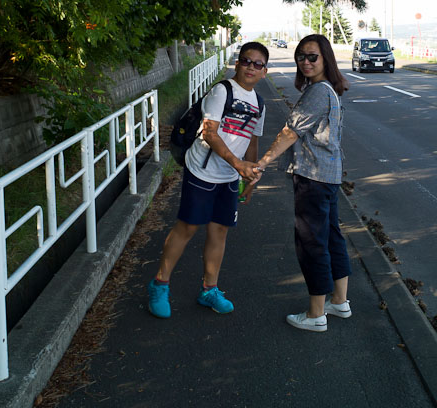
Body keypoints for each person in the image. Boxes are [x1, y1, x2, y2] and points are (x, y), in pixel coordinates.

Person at [146, 42, 268, 318]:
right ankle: (160, 284)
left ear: (264, 72)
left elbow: (252, 140)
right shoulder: (221, 91)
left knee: (219, 231)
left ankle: (209, 290)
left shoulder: (259, 103)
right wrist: (237, 164)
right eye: (246, 61)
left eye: (257, 64)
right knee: (188, 227)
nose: (251, 67)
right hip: (201, 171)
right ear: (237, 64)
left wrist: (250, 175)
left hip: (227, 177)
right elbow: (210, 134)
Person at [244, 34, 351, 332]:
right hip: (328, 176)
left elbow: (290, 132)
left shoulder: (318, 92)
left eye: (312, 57)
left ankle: (316, 313)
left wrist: (262, 162)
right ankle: (339, 302)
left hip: (313, 178)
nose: (305, 62)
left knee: (311, 243)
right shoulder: (328, 89)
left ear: (325, 59)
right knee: (331, 237)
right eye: (301, 57)